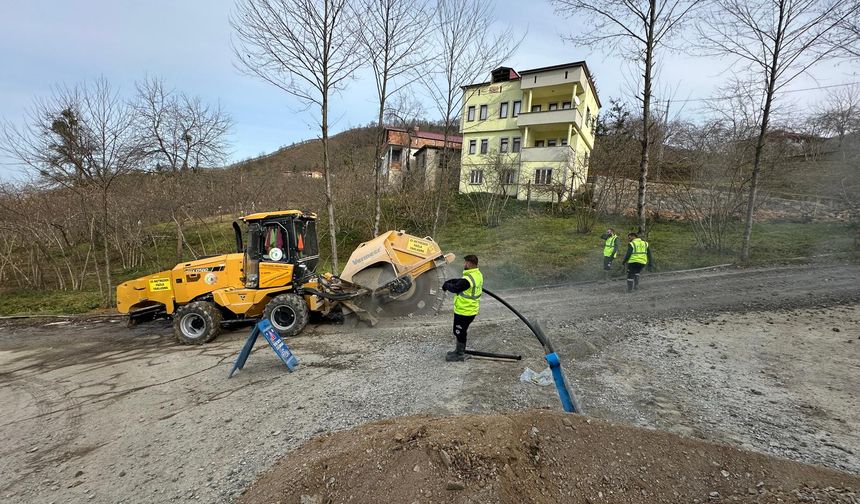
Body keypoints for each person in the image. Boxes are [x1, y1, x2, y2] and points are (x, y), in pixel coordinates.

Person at [441, 254, 483, 362]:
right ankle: (459, 350)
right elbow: (461, 281)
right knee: (460, 331)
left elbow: (456, 288)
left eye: (465, 263)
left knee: (459, 331)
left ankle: (460, 353)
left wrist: (446, 285)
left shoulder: (467, 280)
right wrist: (452, 281)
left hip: (465, 311)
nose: (464, 264)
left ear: (470, 264)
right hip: (470, 310)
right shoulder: (477, 274)